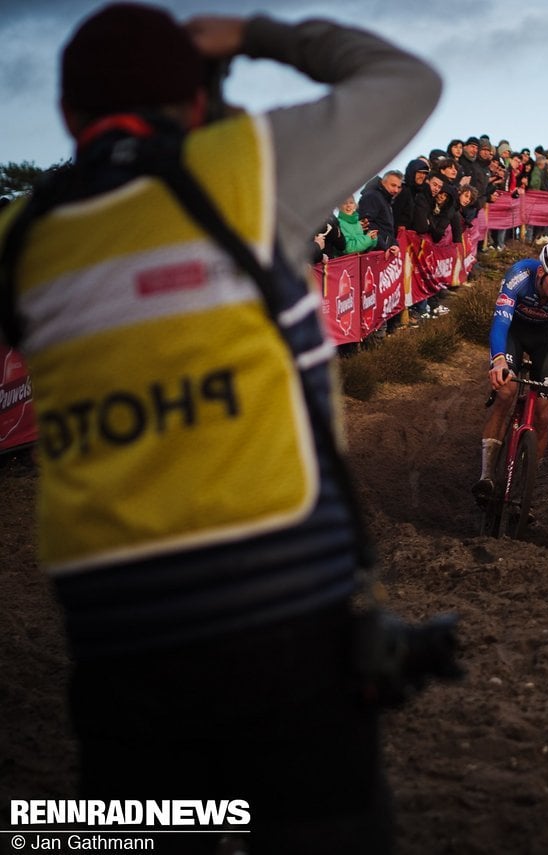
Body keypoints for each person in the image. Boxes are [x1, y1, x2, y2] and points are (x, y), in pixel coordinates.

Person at [0, 5, 442, 854]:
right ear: (196, 103)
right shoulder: (244, 166)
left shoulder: (23, 231)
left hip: (114, 636)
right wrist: (257, 35)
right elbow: (409, 83)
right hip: (286, 612)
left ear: (65, 116)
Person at [474, 237, 548, 502]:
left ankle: (523, 489)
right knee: (506, 392)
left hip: (546, 337)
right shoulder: (519, 275)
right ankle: (485, 475)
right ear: (541, 272)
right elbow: (500, 324)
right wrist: (499, 361)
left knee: (544, 412)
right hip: (513, 331)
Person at [357, 169, 403, 253]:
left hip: (383, 250)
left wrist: (394, 244)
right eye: (393, 185)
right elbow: (367, 225)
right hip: (374, 252)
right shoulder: (372, 196)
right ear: (383, 182)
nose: (396, 190)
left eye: (398, 187)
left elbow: (386, 228)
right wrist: (384, 246)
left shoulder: (385, 199)